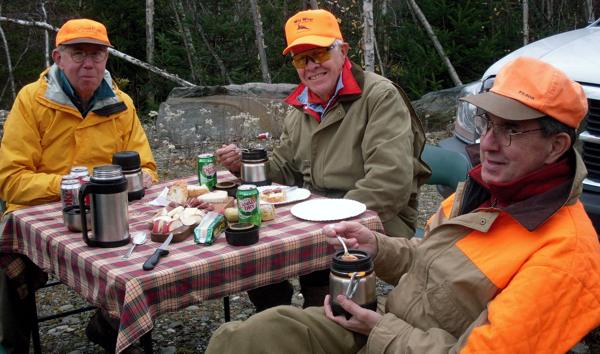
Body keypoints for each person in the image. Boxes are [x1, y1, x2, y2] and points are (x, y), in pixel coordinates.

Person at [205, 56, 600, 353]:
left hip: (390, 337)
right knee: (241, 336)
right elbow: (426, 259)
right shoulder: (481, 191)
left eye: (511, 130)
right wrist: (377, 247)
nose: (488, 144)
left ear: (556, 147)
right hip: (384, 327)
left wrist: (378, 329)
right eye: (487, 124)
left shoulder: (564, 254)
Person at [215, 9, 430, 311]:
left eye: (318, 53)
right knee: (252, 240)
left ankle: (325, 317)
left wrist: (322, 219)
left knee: (301, 253)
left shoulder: (380, 96)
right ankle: (276, 316)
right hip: (313, 211)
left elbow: (389, 183)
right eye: (302, 59)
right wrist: (243, 166)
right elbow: (284, 170)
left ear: (342, 51)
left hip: (377, 215)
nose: (312, 66)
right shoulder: (300, 104)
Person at [0, 19, 157, 353]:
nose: (88, 63)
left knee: (150, 255)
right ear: (58, 56)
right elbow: (11, 182)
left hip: (112, 214)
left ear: (106, 59)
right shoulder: (32, 101)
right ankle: (13, 345)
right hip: (43, 215)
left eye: (97, 54)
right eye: (78, 53)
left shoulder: (121, 103)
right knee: (5, 261)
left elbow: (146, 166)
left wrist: (143, 177)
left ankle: (111, 326)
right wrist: (74, 185)